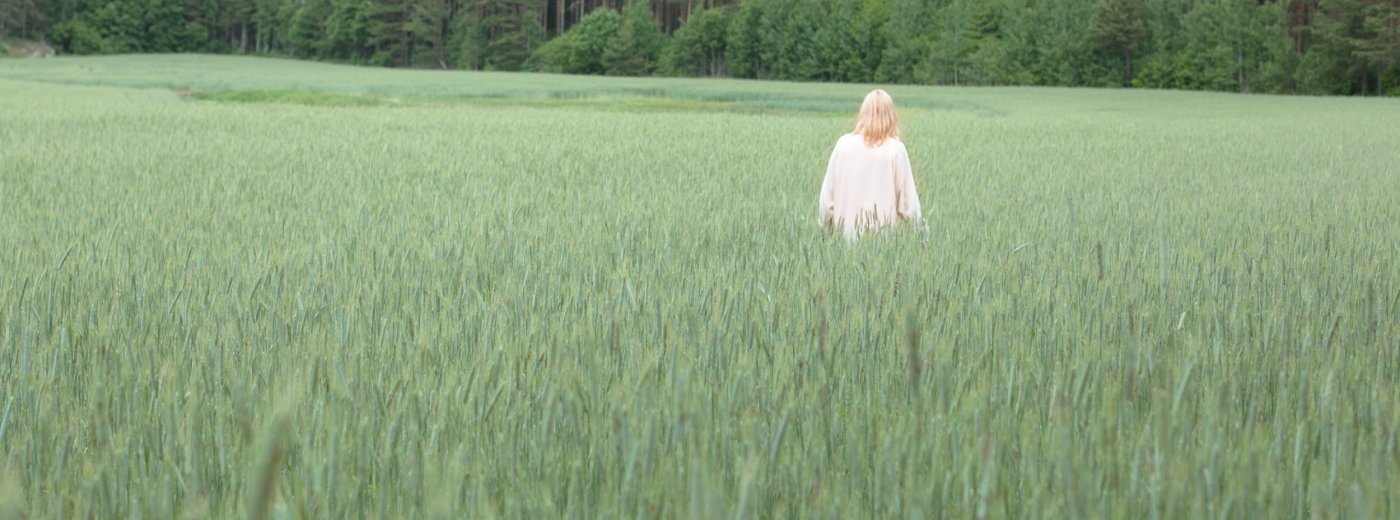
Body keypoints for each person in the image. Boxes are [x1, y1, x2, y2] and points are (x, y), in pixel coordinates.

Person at [818, 89, 922, 239]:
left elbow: (826, 203)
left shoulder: (843, 145)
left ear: (863, 114)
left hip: (844, 242)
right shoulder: (896, 149)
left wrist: (825, 233)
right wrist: (921, 239)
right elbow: (909, 205)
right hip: (884, 246)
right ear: (891, 116)